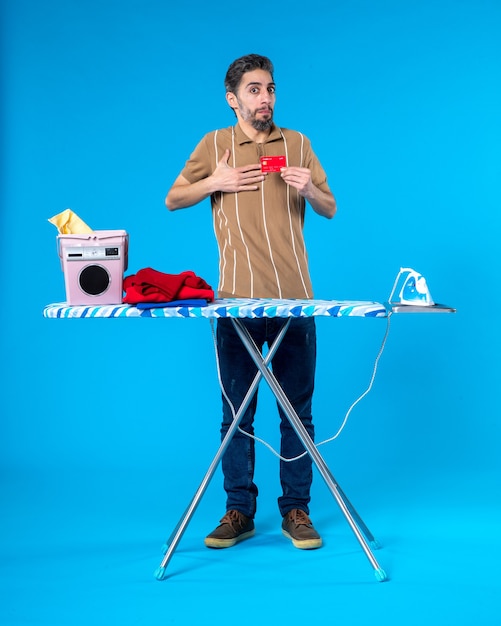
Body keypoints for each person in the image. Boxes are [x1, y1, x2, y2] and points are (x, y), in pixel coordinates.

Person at [165, 54, 336, 550]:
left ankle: (296, 510)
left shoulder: (298, 144)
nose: (266, 98)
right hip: (236, 302)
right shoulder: (215, 145)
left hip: (295, 301)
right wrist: (213, 183)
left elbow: (330, 207)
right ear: (233, 98)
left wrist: (310, 188)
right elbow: (173, 198)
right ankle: (238, 510)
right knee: (236, 412)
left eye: (271, 89)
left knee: (297, 412)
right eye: (255, 90)